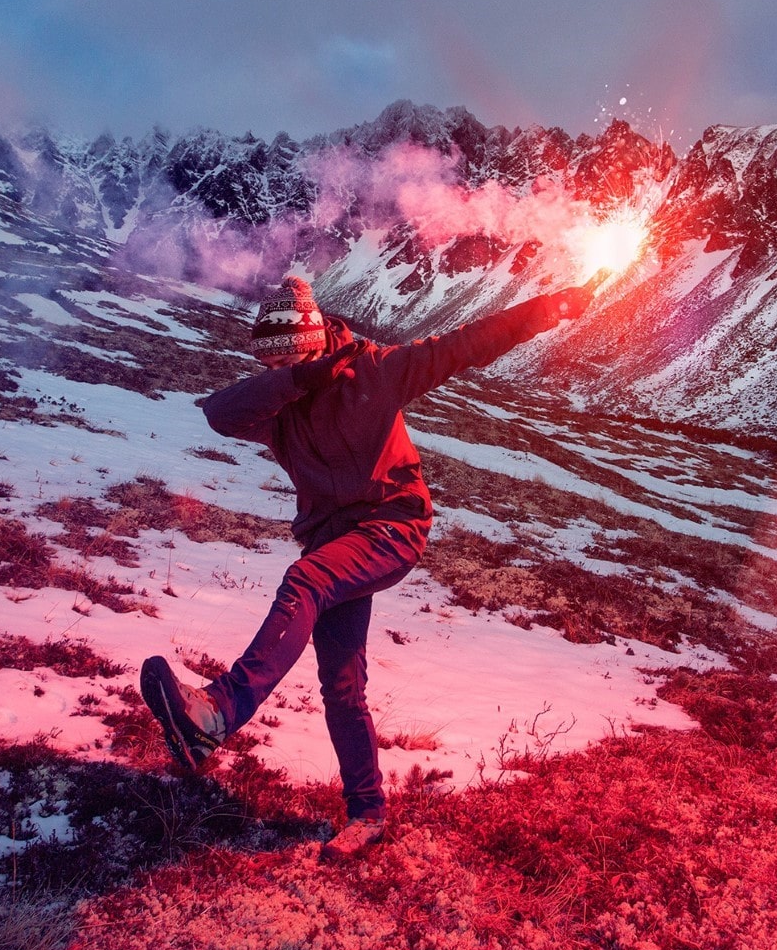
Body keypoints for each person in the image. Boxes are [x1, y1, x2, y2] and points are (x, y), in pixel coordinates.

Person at [141, 272, 596, 860]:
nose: (278, 374)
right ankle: (368, 813)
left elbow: (468, 344)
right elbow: (219, 413)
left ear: (315, 341)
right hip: (331, 538)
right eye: (271, 365)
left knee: (307, 581)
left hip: (391, 525)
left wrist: (546, 307)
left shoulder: (375, 371)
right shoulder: (281, 399)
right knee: (342, 685)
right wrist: (295, 379)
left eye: (290, 360)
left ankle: (222, 710)